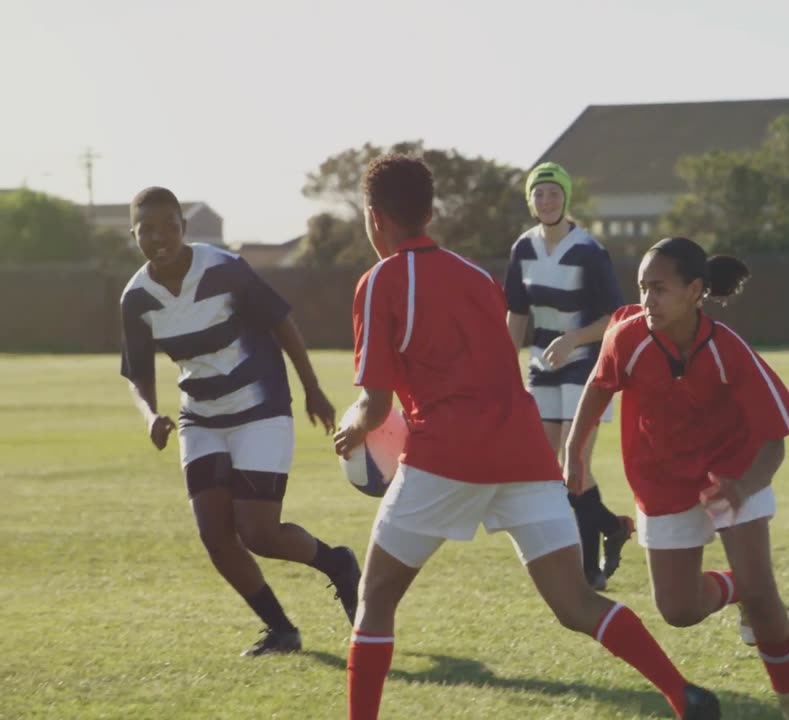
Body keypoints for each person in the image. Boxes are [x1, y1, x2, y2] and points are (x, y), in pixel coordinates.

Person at [334, 155, 720, 720]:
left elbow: (376, 404)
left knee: (375, 601)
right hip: (524, 455)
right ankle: (680, 693)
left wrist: (352, 429)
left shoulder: (380, 282)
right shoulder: (475, 277)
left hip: (446, 457)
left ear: (373, 218)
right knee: (576, 602)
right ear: (430, 212)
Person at [564, 237, 789, 720]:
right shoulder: (627, 337)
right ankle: (738, 588)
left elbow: (774, 441)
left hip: (732, 470)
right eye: (643, 288)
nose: (647, 300)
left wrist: (743, 487)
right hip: (661, 478)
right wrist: (575, 451)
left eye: (660, 289)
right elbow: (599, 387)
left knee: (764, 594)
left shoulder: (729, 349)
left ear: (695, 291)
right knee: (679, 610)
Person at [119, 186, 360, 657]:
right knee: (215, 535)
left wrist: (312, 388)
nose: (158, 235)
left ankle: (337, 564)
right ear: (134, 234)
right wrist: (150, 415)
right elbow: (138, 374)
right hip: (200, 418)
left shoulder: (224, 268)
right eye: (146, 228)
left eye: (168, 224)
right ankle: (281, 630)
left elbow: (281, 324)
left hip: (260, 408)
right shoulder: (136, 298)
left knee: (259, 533)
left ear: (183, 228)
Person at [505, 161, 634, 590]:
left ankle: (588, 569)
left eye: (554, 193)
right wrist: (507, 367)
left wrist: (574, 339)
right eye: (539, 194)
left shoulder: (589, 251)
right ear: (531, 200)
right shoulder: (522, 248)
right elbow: (517, 313)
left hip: (587, 368)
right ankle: (611, 527)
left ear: (566, 198)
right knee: (548, 466)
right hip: (541, 368)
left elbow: (616, 318)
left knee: (573, 462)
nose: (546, 201)